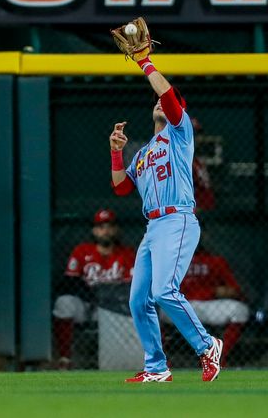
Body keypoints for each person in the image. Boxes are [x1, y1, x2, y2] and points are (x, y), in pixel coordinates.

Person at [109, 32, 223, 383]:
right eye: (155, 102)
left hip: (178, 219)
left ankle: (207, 346)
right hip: (153, 227)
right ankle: (157, 367)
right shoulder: (142, 152)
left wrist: (145, 61)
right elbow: (121, 187)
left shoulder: (179, 132)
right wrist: (116, 150)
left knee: (163, 291)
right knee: (138, 300)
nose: (159, 104)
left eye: (165, 103)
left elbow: (169, 97)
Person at [52, 208, 135, 370]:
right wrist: (89, 296)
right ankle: (65, 359)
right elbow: (69, 282)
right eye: (101, 227)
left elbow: (131, 286)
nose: (105, 231)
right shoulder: (82, 251)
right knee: (64, 303)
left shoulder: (127, 253)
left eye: (110, 226)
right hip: (88, 305)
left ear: (116, 229)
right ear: (94, 230)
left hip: (117, 308)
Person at [177, 243, 250, 365]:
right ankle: (163, 362)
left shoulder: (214, 260)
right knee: (155, 310)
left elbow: (234, 289)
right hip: (180, 306)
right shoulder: (172, 261)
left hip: (210, 305)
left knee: (240, 310)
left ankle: (218, 357)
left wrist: (217, 291)